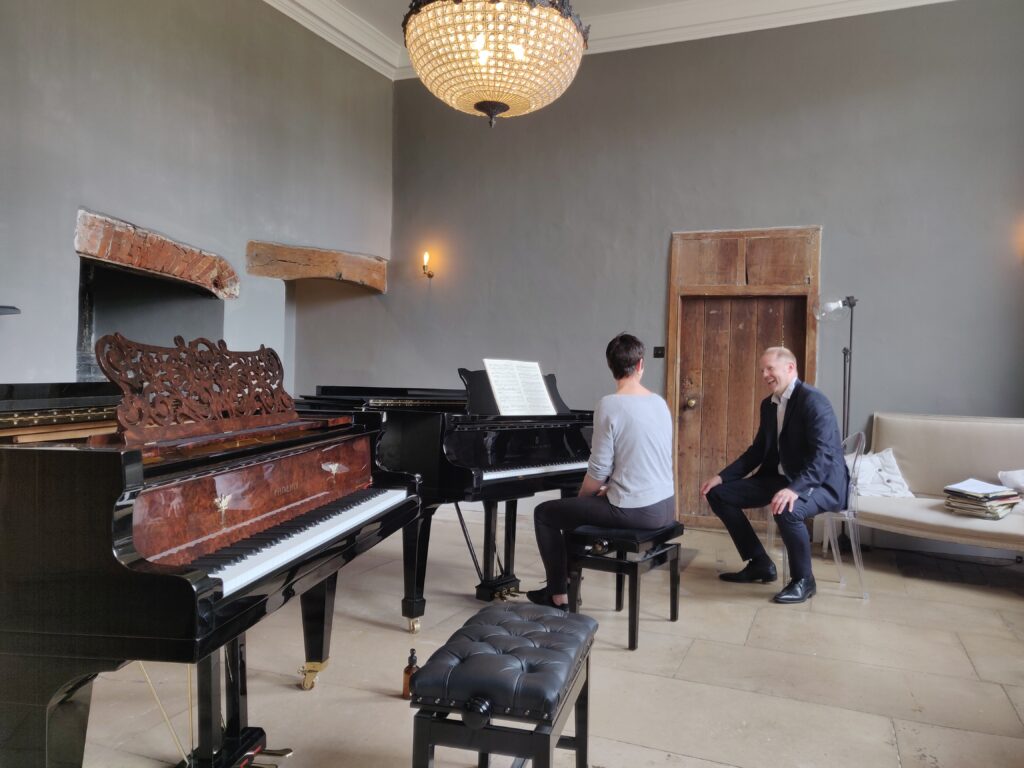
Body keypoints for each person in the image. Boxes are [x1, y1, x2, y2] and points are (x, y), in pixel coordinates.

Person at [527, 333, 676, 609]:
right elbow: (646, 459)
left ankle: (558, 593)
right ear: (641, 364)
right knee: (574, 511)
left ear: (611, 366)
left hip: (637, 512)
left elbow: (598, 469)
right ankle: (568, 585)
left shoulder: (610, 404)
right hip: (665, 505)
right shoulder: (659, 403)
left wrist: (585, 497)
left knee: (546, 513)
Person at [700, 346, 847, 605]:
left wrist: (795, 489)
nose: (764, 374)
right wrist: (722, 477)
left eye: (770, 368)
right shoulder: (769, 405)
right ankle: (759, 563)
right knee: (717, 494)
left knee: (787, 509)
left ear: (790, 368)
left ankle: (804, 580)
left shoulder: (813, 401)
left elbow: (823, 456)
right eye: (762, 370)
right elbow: (757, 452)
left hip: (821, 482)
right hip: (782, 479)